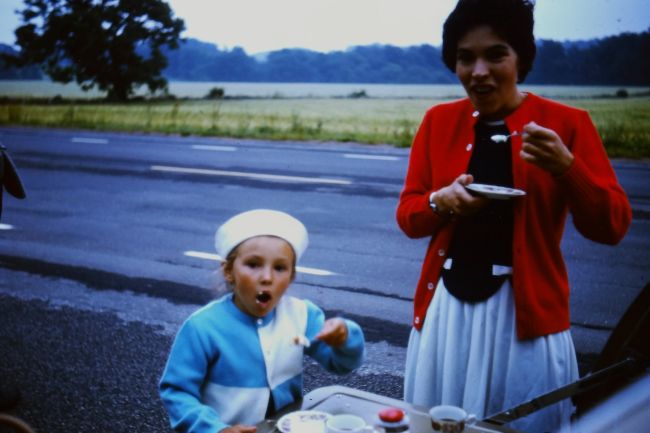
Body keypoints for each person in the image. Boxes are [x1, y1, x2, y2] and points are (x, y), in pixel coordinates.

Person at [395, 1, 632, 432]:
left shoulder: (567, 124)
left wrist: (567, 168)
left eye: (496, 54)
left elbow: (612, 226)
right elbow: (409, 216)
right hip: (446, 313)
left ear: (521, 59)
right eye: (465, 57)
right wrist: (440, 202)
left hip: (525, 320)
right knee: (436, 422)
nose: (479, 70)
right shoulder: (437, 121)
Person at [159, 209, 365, 433]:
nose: (267, 277)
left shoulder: (303, 315)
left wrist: (345, 337)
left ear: (292, 276)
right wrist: (213, 429)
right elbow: (177, 391)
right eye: (253, 264)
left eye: (279, 268)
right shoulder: (202, 327)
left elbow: (342, 365)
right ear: (229, 271)